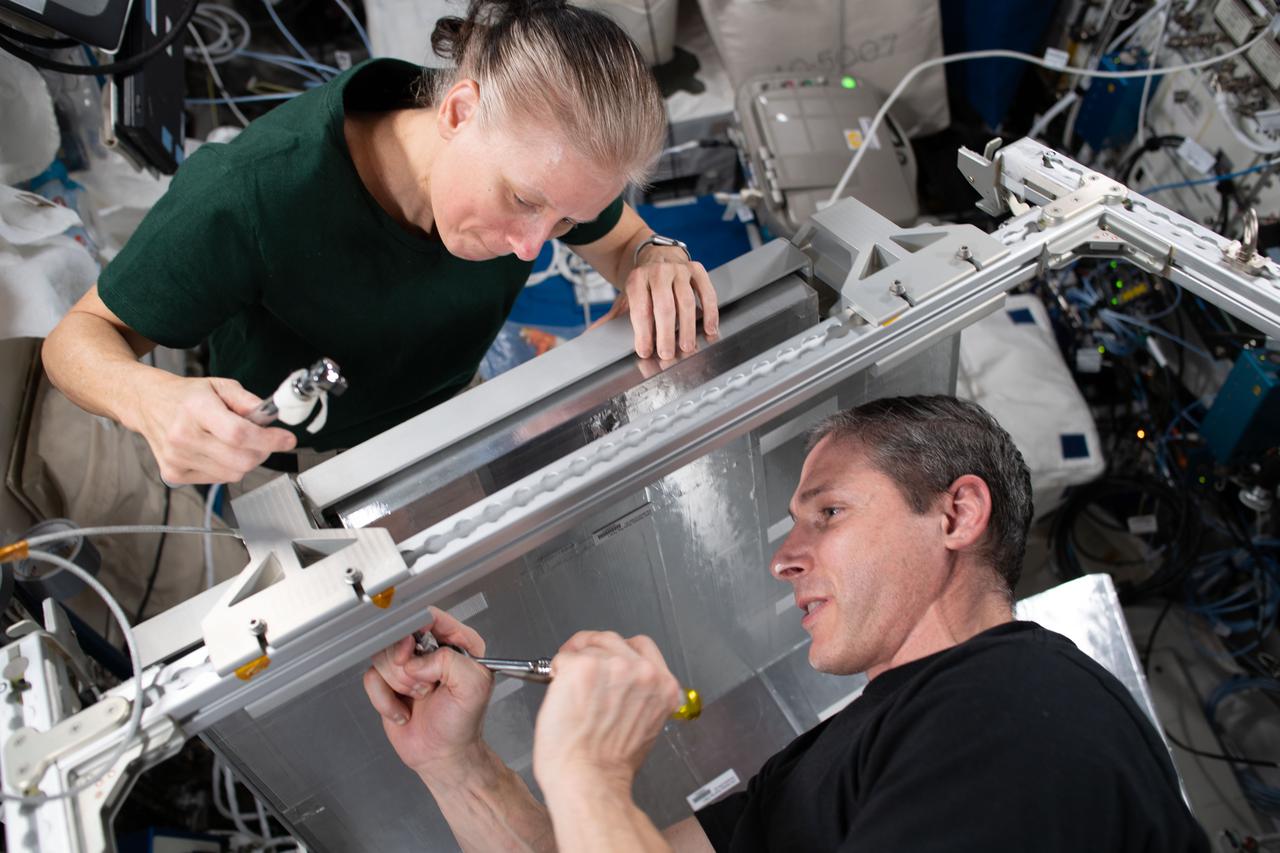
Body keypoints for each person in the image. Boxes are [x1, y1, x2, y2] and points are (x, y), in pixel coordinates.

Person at [364, 395, 1210, 851]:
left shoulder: (1021, 713)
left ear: (955, 513)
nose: (784, 556)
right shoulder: (848, 751)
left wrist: (588, 767)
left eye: (828, 512)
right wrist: (456, 761)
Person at [41, 0, 718, 487]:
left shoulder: (549, 179)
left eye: (565, 223)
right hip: (289, 452)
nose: (530, 248)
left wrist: (654, 256)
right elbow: (76, 340)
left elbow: (626, 237)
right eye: (522, 201)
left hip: (447, 411)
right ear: (458, 110)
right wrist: (149, 401)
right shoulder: (254, 193)